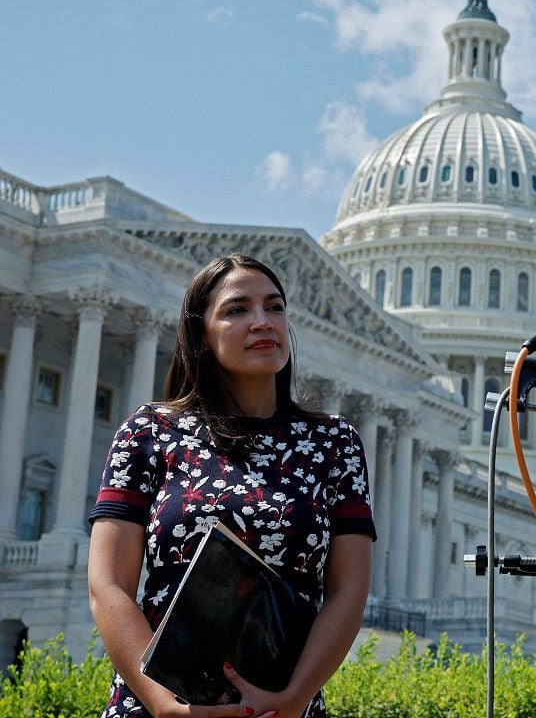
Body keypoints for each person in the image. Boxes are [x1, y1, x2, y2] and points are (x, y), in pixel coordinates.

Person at [87, 254, 375, 718]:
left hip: (282, 705)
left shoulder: (334, 442)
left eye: (274, 307)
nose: (263, 322)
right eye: (237, 309)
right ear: (202, 335)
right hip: (161, 704)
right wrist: (166, 706)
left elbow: (349, 590)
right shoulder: (150, 431)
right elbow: (107, 585)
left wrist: (292, 700)